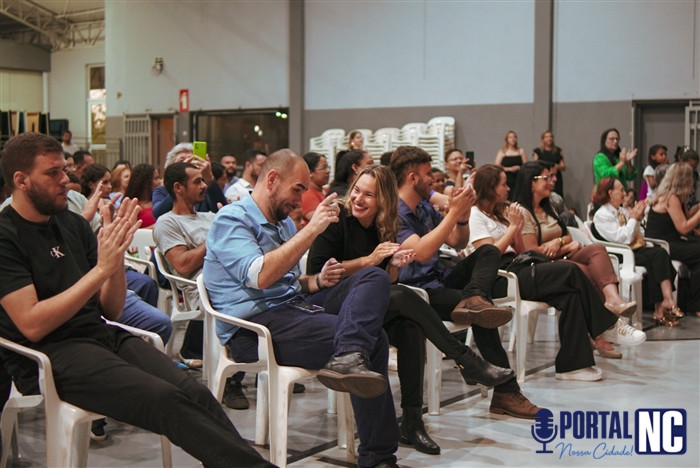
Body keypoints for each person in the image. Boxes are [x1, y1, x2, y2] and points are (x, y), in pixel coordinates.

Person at [0, 132, 272, 468]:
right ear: (21, 180)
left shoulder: (71, 224)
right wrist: (100, 270)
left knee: (195, 392)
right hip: (49, 354)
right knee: (164, 398)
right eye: (52, 173)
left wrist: (113, 262)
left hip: (100, 336)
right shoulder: (6, 236)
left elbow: (112, 309)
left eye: (64, 171)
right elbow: (32, 324)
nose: (65, 180)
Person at [204, 149, 401, 468]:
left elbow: (290, 282)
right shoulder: (232, 219)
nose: (299, 200)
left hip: (292, 310)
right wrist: (312, 230)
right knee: (375, 340)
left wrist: (318, 281)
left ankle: (349, 357)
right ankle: (378, 457)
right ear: (272, 179)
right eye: (297, 189)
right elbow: (260, 276)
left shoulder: (281, 224)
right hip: (252, 330)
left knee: (374, 276)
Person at [307, 165, 514, 455]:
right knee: (402, 295)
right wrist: (370, 261)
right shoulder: (337, 218)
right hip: (329, 302)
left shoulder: (384, 224)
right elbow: (317, 274)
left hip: (367, 305)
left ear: (383, 201)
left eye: (368, 195)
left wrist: (393, 265)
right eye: (356, 191)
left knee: (410, 327)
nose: (358, 199)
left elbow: (385, 280)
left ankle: (413, 420)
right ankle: (465, 359)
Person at [390, 146, 540, 418]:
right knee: (482, 314)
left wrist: (461, 218)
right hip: (417, 293)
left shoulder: (423, 207)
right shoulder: (396, 213)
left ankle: (474, 296)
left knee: (488, 251)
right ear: (412, 178)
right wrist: (452, 213)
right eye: (428, 174)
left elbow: (457, 241)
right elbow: (421, 253)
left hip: (440, 278)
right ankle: (506, 393)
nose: (433, 181)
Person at [473, 163, 645, 379]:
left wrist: (515, 228)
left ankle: (573, 367)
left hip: (522, 266)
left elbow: (522, 249)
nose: (508, 188)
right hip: (503, 276)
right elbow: (489, 254)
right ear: (490, 188)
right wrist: (513, 227)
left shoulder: (499, 214)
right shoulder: (475, 215)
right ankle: (608, 324)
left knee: (571, 295)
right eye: (503, 184)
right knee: (571, 270)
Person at [512, 162, 644, 358]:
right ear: (531, 182)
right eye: (545, 178)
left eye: (551, 177)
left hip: (562, 255)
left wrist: (558, 242)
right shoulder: (522, 212)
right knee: (582, 271)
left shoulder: (549, 207)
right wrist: (565, 246)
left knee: (597, 249)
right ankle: (602, 332)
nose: (551, 181)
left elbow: (567, 234)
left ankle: (613, 300)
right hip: (543, 266)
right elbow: (533, 251)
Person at [592, 177, 681, 326]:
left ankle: (667, 300)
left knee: (660, 253)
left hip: (631, 249)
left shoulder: (622, 211)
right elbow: (622, 238)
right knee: (649, 261)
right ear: (610, 193)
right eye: (621, 190)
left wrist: (638, 219)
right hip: (618, 254)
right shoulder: (602, 215)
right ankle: (661, 308)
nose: (624, 193)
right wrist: (633, 218)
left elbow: (636, 234)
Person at [645, 162, 700, 317]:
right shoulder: (670, 198)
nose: (693, 181)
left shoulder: (677, 198)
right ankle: (695, 304)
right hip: (663, 245)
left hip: (672, 240)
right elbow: (684, 227)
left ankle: (694, 302)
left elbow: (686, 217)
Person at [152, 143, 227, 219]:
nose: (187, 164)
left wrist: (209, 177)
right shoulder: (161, 191)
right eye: (182, 161)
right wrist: (178, 184)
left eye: (191, 161)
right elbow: (158, 214)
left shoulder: (203, 189)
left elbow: (223, 211)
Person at [124, 163, 161, 228]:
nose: (159, 181)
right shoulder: (132, 204)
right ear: (145, 182)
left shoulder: (158, 200)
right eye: (156, 178)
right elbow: (131, 230)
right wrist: (157, 226)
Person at [494, 131, 527, 200]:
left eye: (514, 137)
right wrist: (510, 169)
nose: (513, 139)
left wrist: (519, 168)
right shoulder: (502, 152)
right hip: (507, 178)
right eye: (510, 137)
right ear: (507, 140)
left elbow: (526, 165)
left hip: (519, 178)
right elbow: (496, 167)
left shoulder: (521, 151)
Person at [532, 130, 565, 196]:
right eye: (546, 137)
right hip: (544, 177)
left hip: (555, 177)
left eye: (551, 137)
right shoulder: (538, 151)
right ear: (543, 139)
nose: (549, 138)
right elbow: (535, 165)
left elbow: (563, 166)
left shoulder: (558, 151)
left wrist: (555, 166)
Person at [301, 152, 330, 223]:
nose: (328, 171)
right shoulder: (306, 195)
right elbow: (322, 221)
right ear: (310, 173)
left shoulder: (328, 190)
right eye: (323, 168)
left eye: (328, 167)